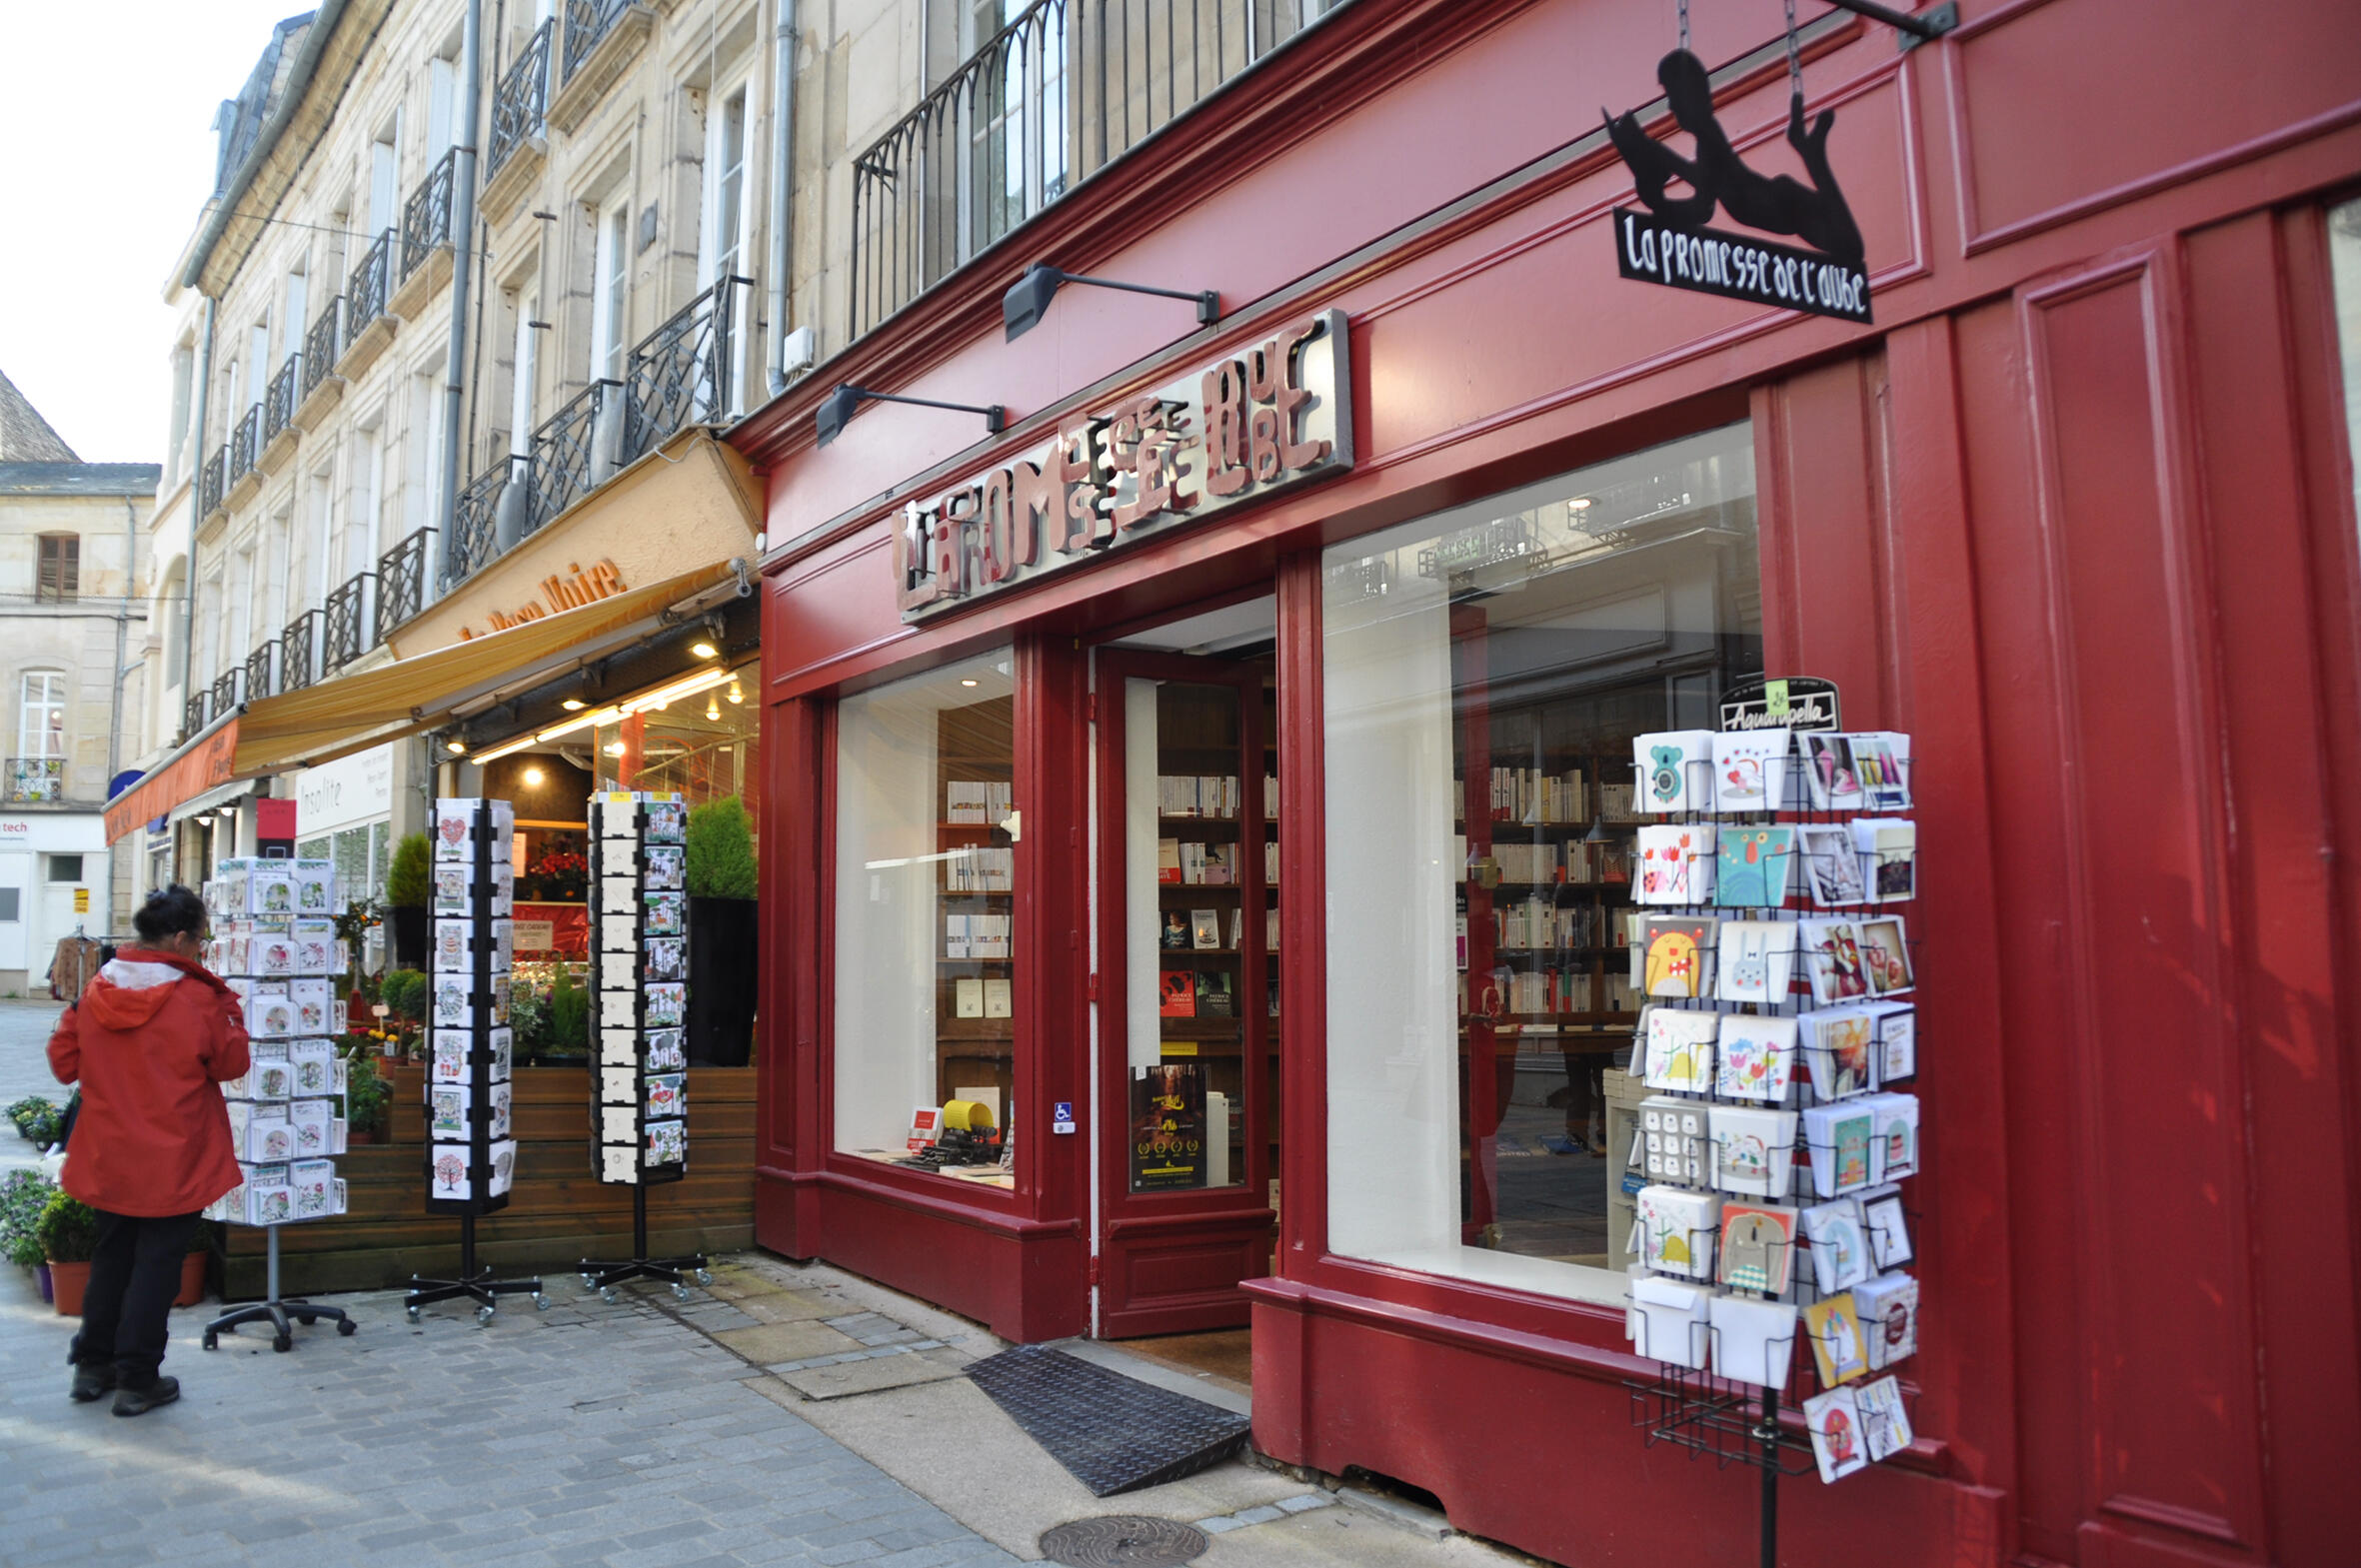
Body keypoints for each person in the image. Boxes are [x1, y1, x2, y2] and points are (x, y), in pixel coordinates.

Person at [46, 884, 249, 1417]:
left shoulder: (96, 988)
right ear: (181, 938)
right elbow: (231, 1066)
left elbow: (63, 1062)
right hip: (172, 1152)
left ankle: (93, 1366)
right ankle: (138, 1376)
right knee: (156, 1265)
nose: (201, 950)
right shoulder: (198, 998)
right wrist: (228, 1009)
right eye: (199, 941)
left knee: (112, 1256)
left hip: (109, 1148)